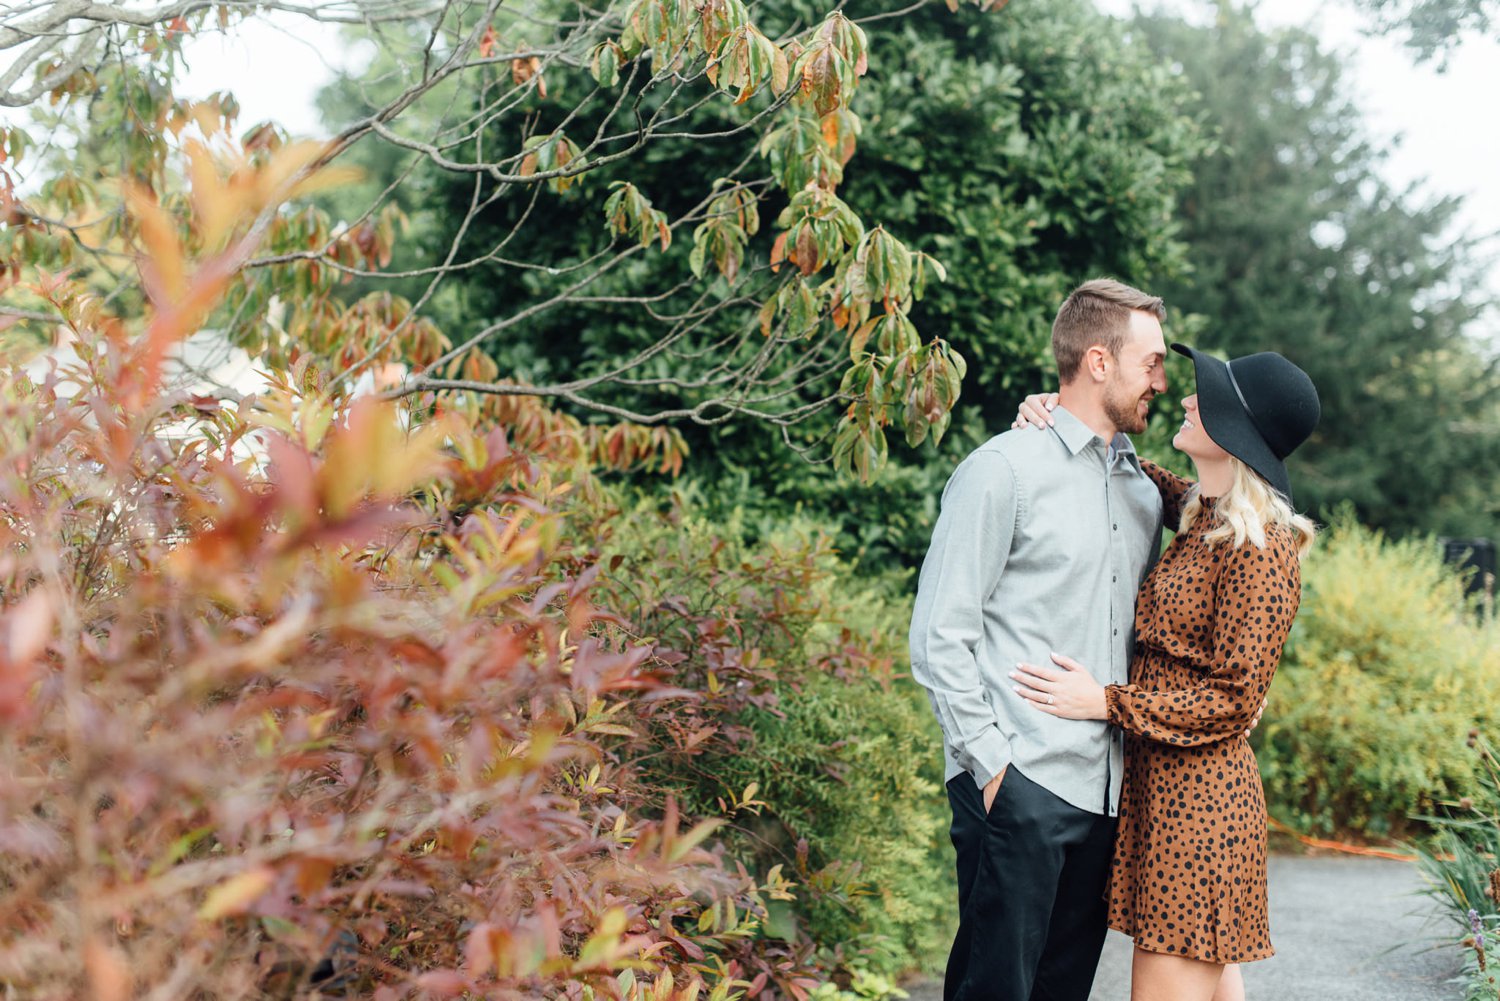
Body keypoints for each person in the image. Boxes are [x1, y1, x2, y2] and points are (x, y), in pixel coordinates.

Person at [1008, 344, 1320, 1001]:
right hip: (1169, 797)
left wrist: (1105, 702)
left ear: (1237, 430)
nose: (1182, 397)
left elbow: (1234, 700)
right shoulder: (1202, 513)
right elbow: (1135, 474)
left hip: (1201, 812)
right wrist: (1058, 413)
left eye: (1204, 397)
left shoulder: (1259, 549)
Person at [908, 277, 1170, 1001]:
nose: (1162, 379)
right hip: (1017, 780)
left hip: (1103, 795)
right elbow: (938, 634)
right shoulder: (1003, 470)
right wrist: (993, 771)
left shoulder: (1144, 493)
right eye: (1150, 361)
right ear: (1097, 361)